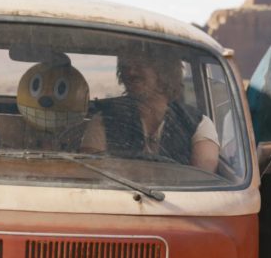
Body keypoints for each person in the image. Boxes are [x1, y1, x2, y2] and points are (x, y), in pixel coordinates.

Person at [80, 50, 219, 172]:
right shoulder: (104, 119)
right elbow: (92, 171)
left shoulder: (198, 124)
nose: (131, 72)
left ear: (164, 71)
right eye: (125, 66)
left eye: (140, 64)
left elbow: (201, 181)